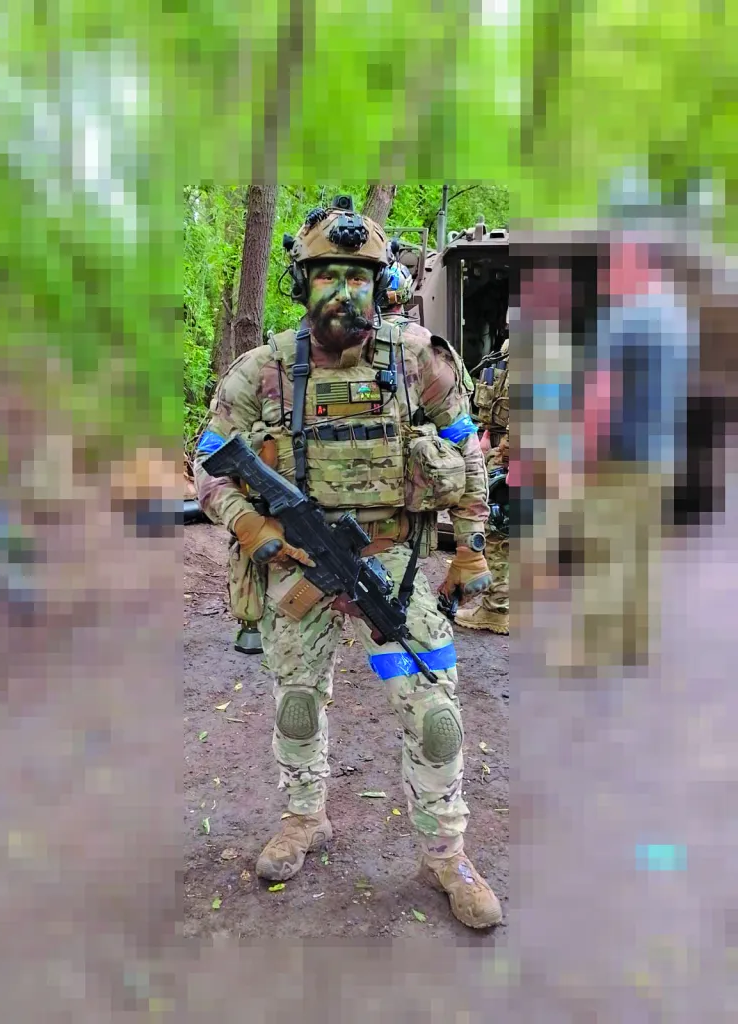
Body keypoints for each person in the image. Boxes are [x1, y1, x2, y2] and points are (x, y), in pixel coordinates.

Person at [194, 197, 503, 929]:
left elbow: (468, 451)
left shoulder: (417, 359)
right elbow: (207, 465)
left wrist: (470, 554)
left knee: (434, 715)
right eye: (328, 275)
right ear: (303, 285)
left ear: (381, 281)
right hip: (298, 574)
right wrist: (259, 529)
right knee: (298, 709)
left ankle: (446, 855)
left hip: (387, 568)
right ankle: (305, 818)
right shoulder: (262, 371)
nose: (344, 291)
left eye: (359, 277)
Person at [455, 338, 510, 635]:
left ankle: (497, 609)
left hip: (512, 457)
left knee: (500, 532)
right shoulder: (507, 351)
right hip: (500, 448)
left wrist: (509, 456)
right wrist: (488, 433)